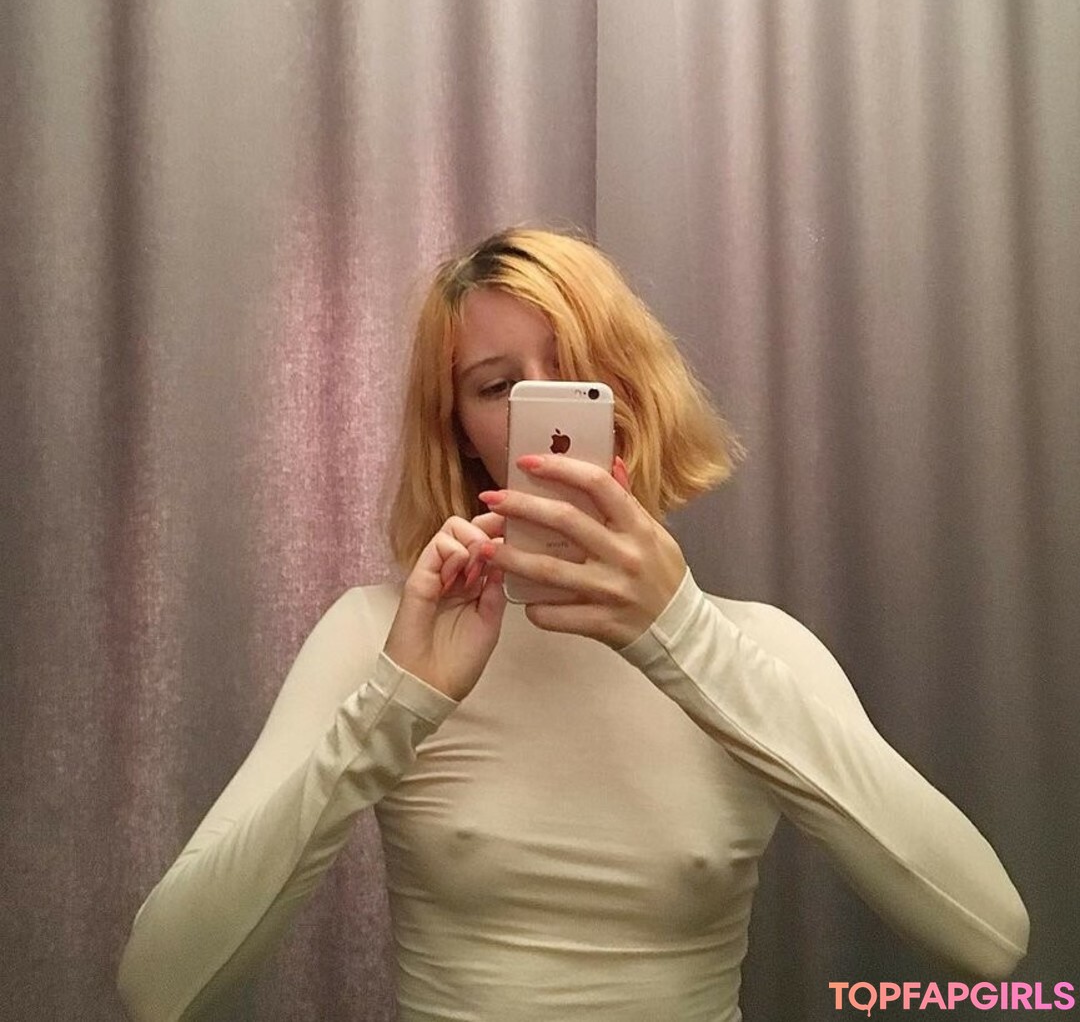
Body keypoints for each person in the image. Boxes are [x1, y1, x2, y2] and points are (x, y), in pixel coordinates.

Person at [117, 227, 1029, 1022]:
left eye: (579, 368)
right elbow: (158, 986)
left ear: (634, 388)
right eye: (497, 386)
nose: (544, 412)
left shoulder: (759, 649)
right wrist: (397, 704)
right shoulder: (378, 636)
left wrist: (683, 638)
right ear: (460, 430)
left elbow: (990, 940)